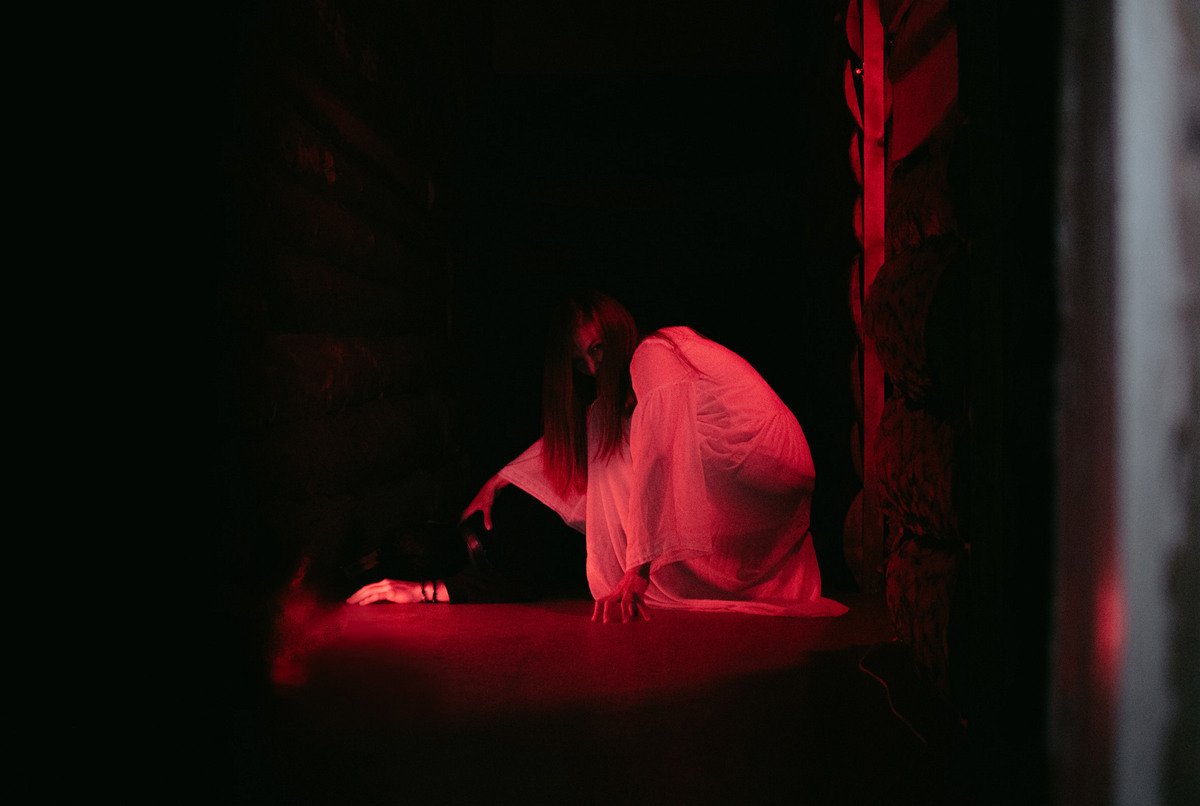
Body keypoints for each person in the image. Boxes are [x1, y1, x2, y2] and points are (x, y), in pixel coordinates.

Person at [348, 289, 848, 623]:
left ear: (618, 329)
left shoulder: (654, 352)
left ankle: (643, 566)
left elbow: (659, 451)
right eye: (579, 361)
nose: (591, 367)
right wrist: (497, 481)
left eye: (598, 349)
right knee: (602, 428)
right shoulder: (624, 396)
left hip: (762, 458)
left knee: (615, 437)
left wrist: (637, 571)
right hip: (762, 476)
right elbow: (577, 442)